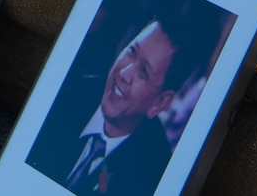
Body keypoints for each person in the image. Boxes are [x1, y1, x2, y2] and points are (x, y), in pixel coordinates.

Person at [28, 20, 188, 195]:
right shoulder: (65, 89)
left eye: (143, 72)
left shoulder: (154, 177)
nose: (124, 74)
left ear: (159, 103)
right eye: (131, 52)